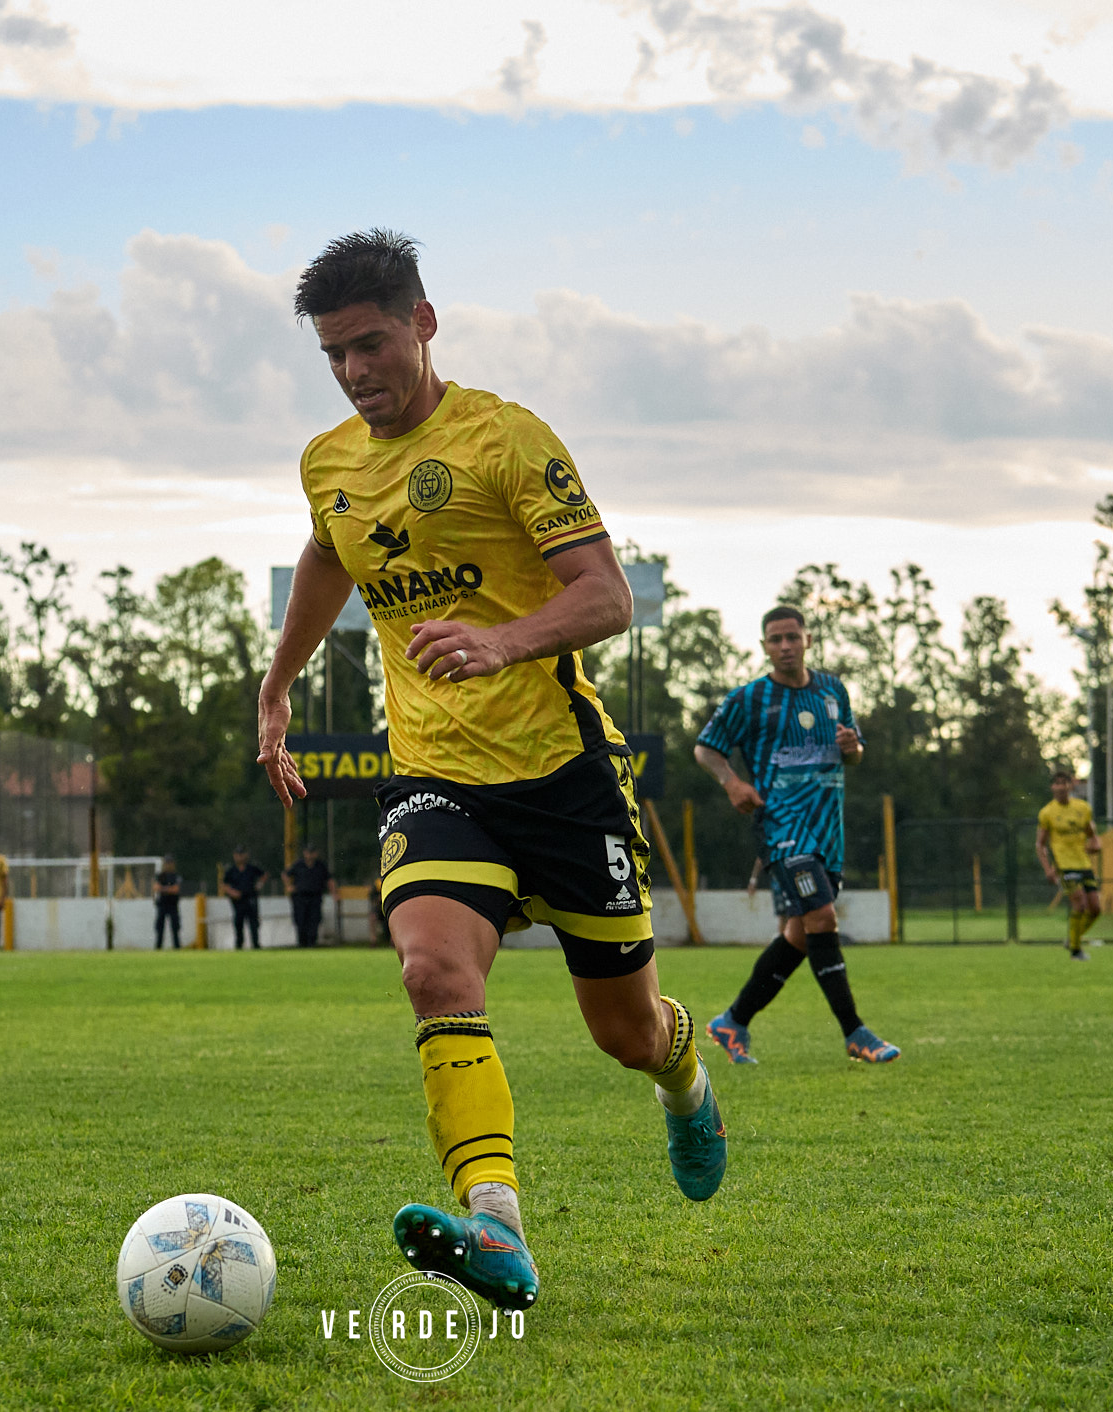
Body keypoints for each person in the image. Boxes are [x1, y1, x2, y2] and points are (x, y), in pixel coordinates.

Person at [255, 230, 724, 1313]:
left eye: (370, 345)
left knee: (625, 1033)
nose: (354, 372)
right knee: (432, 971)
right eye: (333, 355)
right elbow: (330, 552)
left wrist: (501, 640)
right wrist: (278, 683)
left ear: (422, 322)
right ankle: (497, 1223)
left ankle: (685, 1080)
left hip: (562, 775)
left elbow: (605, 594)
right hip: (434, 776)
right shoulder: (327, 462)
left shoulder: (507, 438)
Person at [696, 606, 900, 1066]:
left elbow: (854, 754)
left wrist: (853, 748)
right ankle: (855, 1033)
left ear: (808, 639)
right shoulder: (749, 698)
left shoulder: (833, 690)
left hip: (828, 830)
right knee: (822, 917)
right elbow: (705, 749)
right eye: (775, 639)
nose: (785, 646)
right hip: (782, 827)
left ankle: (732, 1021)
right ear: (764, 646)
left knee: (800, 935)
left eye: (792, 636)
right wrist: (732, 783)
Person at [1036, 769, 1105, 960]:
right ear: (1052, 787)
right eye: (1056, 783)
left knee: (1095, 909)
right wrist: (1048, 869)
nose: (1060, 787)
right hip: (1064, 865)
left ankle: (1073, 939)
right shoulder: (1047, 812)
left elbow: (1093, 836)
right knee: (1080, 903)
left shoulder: (1083, 808)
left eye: (1064, 783)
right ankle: (1076, 951)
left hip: (1084, 864)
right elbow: (1040, 844)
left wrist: (1095, 845)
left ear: (1070, 786)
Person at [285, 846, 333, 948]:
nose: (310, 855)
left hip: (315, 896)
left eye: (312, 853)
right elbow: (286, 874)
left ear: (316, 854)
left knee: (314, 920)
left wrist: (334, 893)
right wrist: (289, 886)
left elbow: (329, 879)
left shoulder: (320, 865)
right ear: (305, 853)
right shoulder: (298, 864)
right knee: (300, 920)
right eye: (308, 853)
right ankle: (302, 943)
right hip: (300, 897)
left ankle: (312, 943)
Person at [222, 846, 266, 950]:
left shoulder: (252, 868)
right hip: (238, 900)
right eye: (238, 855)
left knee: (253, 922)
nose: (240, 857)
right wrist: (232, 892)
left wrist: (259, 885)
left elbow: (264, 875)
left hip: (250, 898)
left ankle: (256, 944)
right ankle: (239, 944)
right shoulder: (231, 870)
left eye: (242, 854)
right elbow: (224, 884)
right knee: (238, 923)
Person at [153, 854, 184, 949]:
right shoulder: (160, 876)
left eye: (170, 863)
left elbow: (176, 889)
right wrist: (169, 889)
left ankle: (177, 947)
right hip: (162, 904)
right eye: (167, 863)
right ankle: (158, 947)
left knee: (175, 928)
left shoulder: (176, 876)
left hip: (173, 904)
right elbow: (156, 887)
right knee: (160, 928)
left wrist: (163, 889)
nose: (168, 865)